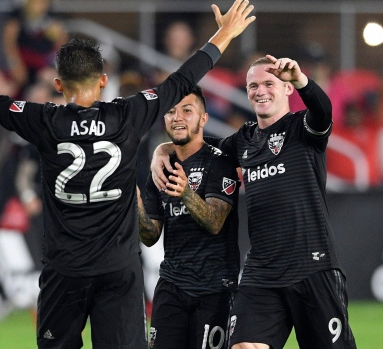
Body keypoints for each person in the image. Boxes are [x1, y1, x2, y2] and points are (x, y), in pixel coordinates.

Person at [0, 0, 255, 347]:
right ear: (103, 80)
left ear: (59, 84)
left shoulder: (44, 120)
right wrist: (224, 34)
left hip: (65, 270)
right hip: (118, 271)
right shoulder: (128, 115)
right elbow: (181, 78)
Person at [151, 55, 357, 349]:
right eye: (253, 86)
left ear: (287, 89)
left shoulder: (303, 127)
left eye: (269, 83)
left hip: (312, 266)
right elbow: (198, 149)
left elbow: (323, 111)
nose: (260, 91)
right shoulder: (242, 141)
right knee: (244, 346)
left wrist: (302, 81)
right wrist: (164, 147)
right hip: (262, 272)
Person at [137, 86, 240, 349]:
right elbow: (149, 236)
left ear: (203, 119)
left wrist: (186, 193)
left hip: (214, 288)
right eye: (171, 111)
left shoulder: (220, 162)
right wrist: (134, 203)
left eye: (187, 110)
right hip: (172, 285)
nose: (178, 117)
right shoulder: (160, 169)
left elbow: (215, 222)